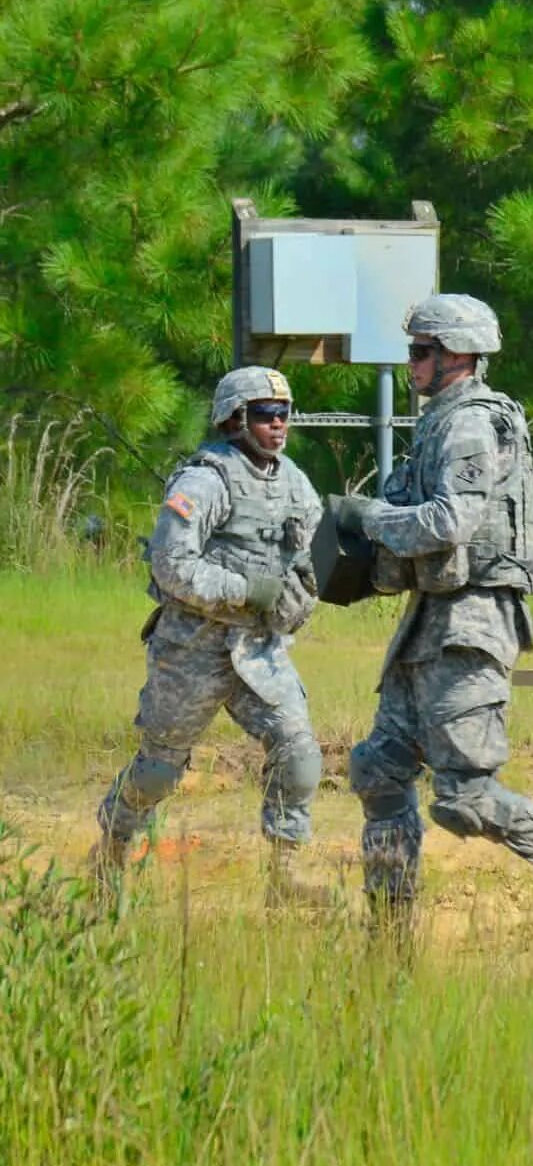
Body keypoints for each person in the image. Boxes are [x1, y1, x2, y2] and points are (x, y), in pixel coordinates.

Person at [334, 293, 533, 929]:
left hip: (472, 621)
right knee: (379, 770)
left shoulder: (471, 425)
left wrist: (372, 517)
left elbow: (452, 521)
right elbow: (400, 510)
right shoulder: (435, 423)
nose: (411, 364)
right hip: (430, 619)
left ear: (456, 356)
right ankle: (387, 932)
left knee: (466, 799)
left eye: (421, 352)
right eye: (411, 351)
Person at [90, 366, 331, 909]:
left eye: (284, 414)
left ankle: (283, 877)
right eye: (266, 415)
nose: (278, 425)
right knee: (157, 771)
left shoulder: (292, 480)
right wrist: (247, 589)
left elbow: (315, 553)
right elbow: (171, 564)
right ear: (235, 419)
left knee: (299, 755)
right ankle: (111, 851)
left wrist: (299, 598)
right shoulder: (205, 480)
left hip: (259, 651)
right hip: (192, 649)